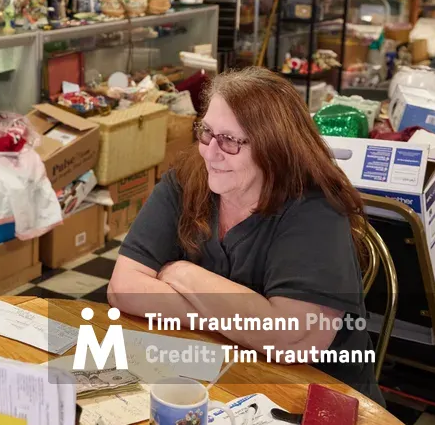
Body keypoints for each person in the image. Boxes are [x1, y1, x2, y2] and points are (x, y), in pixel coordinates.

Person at [107, 68, 383, 403]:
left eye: (230, 141)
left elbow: (292, 340)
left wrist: (184, 274)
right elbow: (123, 288)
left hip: (318, 401)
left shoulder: (316, 209)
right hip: (218, 379)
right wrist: (245, 320)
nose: (210, 152)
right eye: (207, 132)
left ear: (274, 148)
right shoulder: (188, 178)